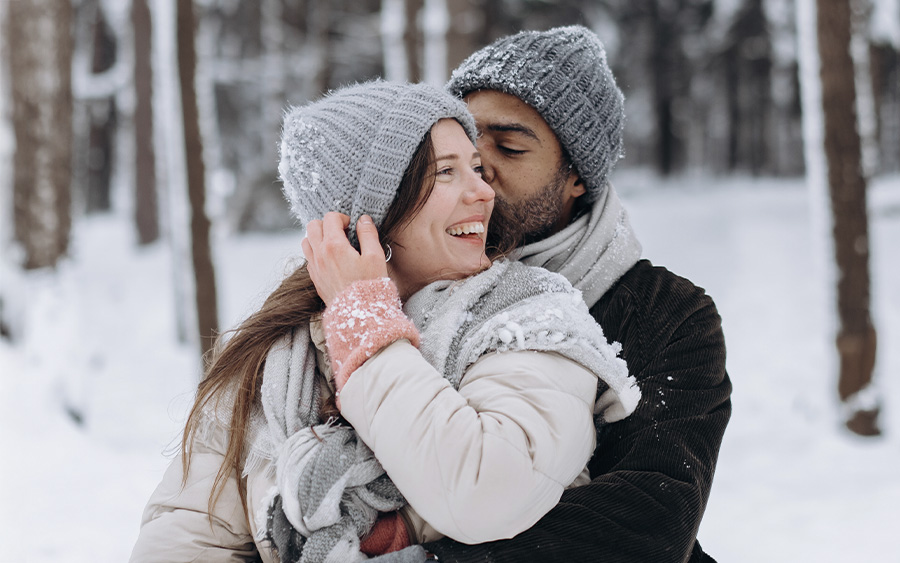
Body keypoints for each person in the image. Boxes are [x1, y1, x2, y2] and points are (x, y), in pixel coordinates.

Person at [129, 80, 642, 563]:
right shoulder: (277, 353)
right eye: (446, 172)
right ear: (370, 213)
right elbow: (187, 532)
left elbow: (486, 491)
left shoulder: (529, 315)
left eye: (476, 168)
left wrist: (365, 325)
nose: (484, 192)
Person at [366, 25, 732, 563]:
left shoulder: (666, 314)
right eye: (463, 148)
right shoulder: (386, 275)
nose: (478, 172)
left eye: (509, 147)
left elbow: (645, 521)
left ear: (577, 177)